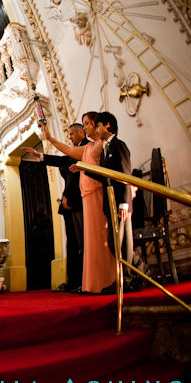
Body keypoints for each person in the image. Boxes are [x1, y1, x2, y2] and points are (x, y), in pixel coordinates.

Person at [40, 112, 116, 294]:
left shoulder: (105, 145)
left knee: (99, 238)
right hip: (86, 196)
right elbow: (67, 152)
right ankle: (95, 281)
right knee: (91, 241)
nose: (87, 127)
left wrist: (82, 168)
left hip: (97, 194)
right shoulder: (88, 147)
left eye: (89, 124)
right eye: (86, 124)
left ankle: (108, 278)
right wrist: (49, 138)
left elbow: (107, 170)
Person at [22, 123, 88, 292]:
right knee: (72, 245)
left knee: (82, 244)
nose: (70, 137)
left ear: (81, 132)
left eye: (72, 133)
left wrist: (69, 197)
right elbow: (60, 160)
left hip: (79, 203)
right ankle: (73, 282)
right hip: (69, 206)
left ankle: (84, 281)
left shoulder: (86, 149)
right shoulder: (73, 152)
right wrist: (40, 155)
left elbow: (77, 177)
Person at [86, 111, 137, 292]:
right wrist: (83, 169)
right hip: (112, 202)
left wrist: (124, 203)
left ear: (107, 125)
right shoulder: (107, 149)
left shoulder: (118, 145)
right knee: (119, 243)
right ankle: (131, 276)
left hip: (120, 202)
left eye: (97, 126)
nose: (96, 130)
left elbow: (124, 174)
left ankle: (127, 280)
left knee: (118, 242)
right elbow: (105, 175)